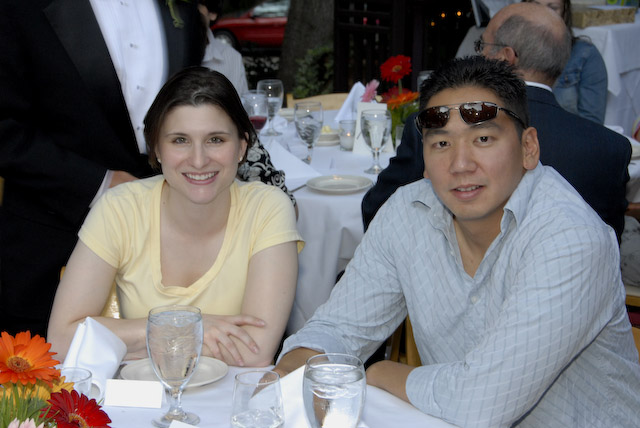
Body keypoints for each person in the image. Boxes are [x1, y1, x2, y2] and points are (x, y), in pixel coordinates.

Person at [275, 56, 640, 426]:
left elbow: (484, 402)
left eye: (483, 139)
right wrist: (294, 368)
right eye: (441, 143)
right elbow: (338, 329)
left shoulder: (571, 238)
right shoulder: (408, 212)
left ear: (529, 147)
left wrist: (381, 372)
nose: (460, 163)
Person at [0, 0, 292, 337]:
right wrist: (99, 184)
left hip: (184, 213)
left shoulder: (182, 5)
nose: (200, 157)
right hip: (51, 230)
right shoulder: (18, 7)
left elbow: (197, 104)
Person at [48, 68, 303, 366]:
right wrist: (182, 328)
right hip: (139, 391)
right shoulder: (119, 208)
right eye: (180, 140)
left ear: (242, 147)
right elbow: (62, 342)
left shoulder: (268, 209)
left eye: (216, 140)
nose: (198, 160)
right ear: (156, 149)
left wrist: (126, 341)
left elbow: (252, 353)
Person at [362, 2, 630, 243]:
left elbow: (378, 212)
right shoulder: (610, 148)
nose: (480, 55)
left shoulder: (437, 126)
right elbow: (609, 243)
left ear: (505, 57)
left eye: (482, 47)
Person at [524, 0, 608, 124]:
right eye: (535, 6)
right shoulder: (507, 51)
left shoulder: (585, 54)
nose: (543, 15)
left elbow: (592, 125)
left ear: (564, 13)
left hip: (566, 134)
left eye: (553, 8)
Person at [198, 0, 249, 95]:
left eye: (196, 4)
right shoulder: (168, 56)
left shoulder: (231, 58)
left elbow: (242, 102)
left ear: (212, 13)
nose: (186, 12)